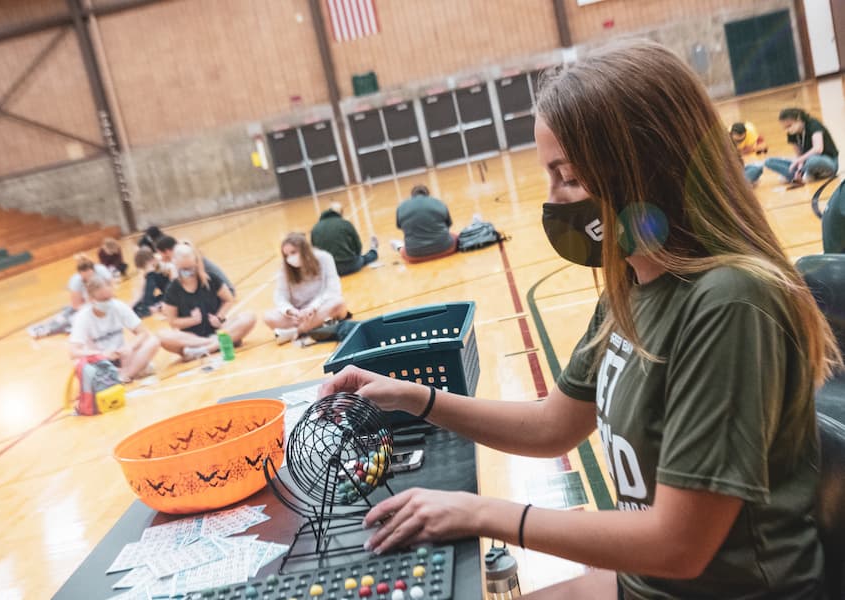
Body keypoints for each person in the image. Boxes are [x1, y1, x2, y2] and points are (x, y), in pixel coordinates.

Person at [320, 40, 841, 599]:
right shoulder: (628, 281)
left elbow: (679, 545)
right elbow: (554, 427)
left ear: (643, 171)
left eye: (566, 177)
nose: (553, 200)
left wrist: (481, 513)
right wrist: (413, 397)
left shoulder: (730, 302)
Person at [157, 243, 255, 360]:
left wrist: (219, 317)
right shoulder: (172, 289)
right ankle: (214, 343)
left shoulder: (210, 279)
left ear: (196, 263)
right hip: (192, 338)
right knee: (161, 336)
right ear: (176, 266)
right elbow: (173, 322)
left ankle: (206, 349)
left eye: (191, 268)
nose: (188, 272)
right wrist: (192, 321)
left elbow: (229, 299)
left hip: (218, 330)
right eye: (184, 269)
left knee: (248, 317)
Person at [69, 274, 159, 382]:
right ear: (91, 299)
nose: (108, 302)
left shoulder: (118, 306)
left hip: (122, 357)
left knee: (154, 341)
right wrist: (100, 354)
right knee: (79, 366)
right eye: (103, 299)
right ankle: (131, 371)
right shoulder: (83, 317)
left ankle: (124, 374)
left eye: (110, 298)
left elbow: (143, 333)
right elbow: (73, 352)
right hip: (100, 361)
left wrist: (130, 346)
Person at [263, 233, 349, 344]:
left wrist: (313, 307)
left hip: (320, 307)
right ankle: (317, 326)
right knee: (268, 317)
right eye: (286, 255)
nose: (290, 258)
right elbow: (280, 296)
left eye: (293, 252)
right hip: (298, 314)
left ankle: (296, 331)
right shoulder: (284, 268)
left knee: (339, 303)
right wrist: (290, 311)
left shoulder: (324, 258)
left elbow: (333, 290)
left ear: (304, 250)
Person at [27, 255, 112, 338]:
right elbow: (76, 305)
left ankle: (67, 326)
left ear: (94, 271)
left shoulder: (101, 271)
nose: (88, 280)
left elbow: (111, 292)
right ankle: (44, 328)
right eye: (84, 278)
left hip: (99, 307)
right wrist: (87, 310)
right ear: (79, 274)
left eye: (90, 276)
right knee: (66, 318)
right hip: (84, 306)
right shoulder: (76, 281)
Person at [765, 108, 839, 187]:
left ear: (798, 119)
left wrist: (798, 161)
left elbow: (818, 149)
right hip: (805, 163)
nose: (788, 129)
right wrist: (800, 167)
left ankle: (798, 174)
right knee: (769, 162)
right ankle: (802, 175)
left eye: (789, 125)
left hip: (827, 161)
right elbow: (799, 155)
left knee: (813, 160)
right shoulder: (791, 133)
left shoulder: (814, 124)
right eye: (785, 128)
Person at [310, 201, 379, 276]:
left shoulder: (315, 228)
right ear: (341, 213)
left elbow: (315, 250)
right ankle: (373, 249)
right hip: (350, 266)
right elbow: (358, 247)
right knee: (366, 257)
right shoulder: (345, 223)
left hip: (328, 269)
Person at [394, 185, 458, 263]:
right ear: (427, 195)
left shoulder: (401, 207)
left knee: (404, 249)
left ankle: (398, 247)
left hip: (414, 256)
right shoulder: (438, 202)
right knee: (454, 236)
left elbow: (400, 226)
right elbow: (448, 225)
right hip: (446, 249)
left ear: (412, 196)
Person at [155, 236, 234, 295]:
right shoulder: (180, 256)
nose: (160, 256)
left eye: (160, 253)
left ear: (167, 251)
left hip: (226, 292)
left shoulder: (186, 255)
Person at [130, 248, 170, 318]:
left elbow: (147, 299)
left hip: (170, 297)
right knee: (139, 306)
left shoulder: (152, 274)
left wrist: (133, 304)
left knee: (142, 307)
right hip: (166, 295)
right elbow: (144, 293)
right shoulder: (151, 274)